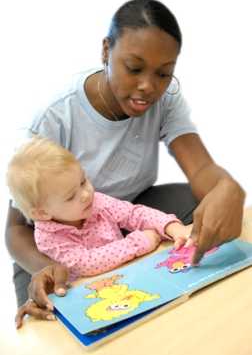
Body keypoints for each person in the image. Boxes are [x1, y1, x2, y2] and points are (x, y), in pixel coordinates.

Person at [5, 0, 245, 324]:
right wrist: (43, 267)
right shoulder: (55, 118)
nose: (148, 87)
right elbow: (17, 227)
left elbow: (201, 167)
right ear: (106, 51)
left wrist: (226, 187)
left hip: (118, 212)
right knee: (53, 314)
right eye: (134, 68)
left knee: (202, 202)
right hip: (56, 243)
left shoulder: (166, 99)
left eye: (164, 74)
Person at [7, 137, 191, 327]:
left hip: (126, 277)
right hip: (89, 298)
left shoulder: (96, 202)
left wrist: (171, 226)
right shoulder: (47, 237)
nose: (86, 193)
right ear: (42, 212)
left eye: (83, 181)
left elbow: (134, 213)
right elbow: (87, 264)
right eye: (71, 196)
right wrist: (140, 242)